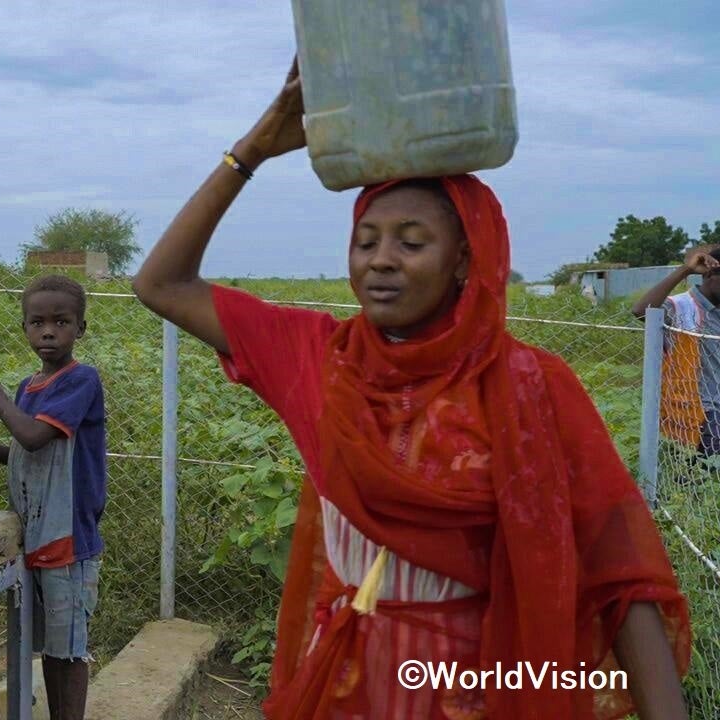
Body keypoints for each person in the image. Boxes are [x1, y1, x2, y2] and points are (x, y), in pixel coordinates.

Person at [131, 57, 690, 719]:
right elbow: (160, 285)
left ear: (463, 260)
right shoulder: (317, 357)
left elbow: (619, 573)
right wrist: (254, 148)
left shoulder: (532, 385)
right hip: (342, 685)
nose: (381, 260)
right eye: (366, 240)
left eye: (410, 241)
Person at [0, 274, 106, 720]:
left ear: (80, 328)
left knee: (68, 652)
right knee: (46, 647)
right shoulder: (30, 387)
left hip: (66, 540)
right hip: (37, 535)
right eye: (37, 322)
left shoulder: (80, 380)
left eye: (61, 322)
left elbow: (33, 437)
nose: (48, 331)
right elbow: (25, 458)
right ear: (24, 327)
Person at [631, 246, 720, 455]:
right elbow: (641, 310)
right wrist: (685, 270)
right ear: (709, 274)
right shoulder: (680, 307)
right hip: (698, 415)